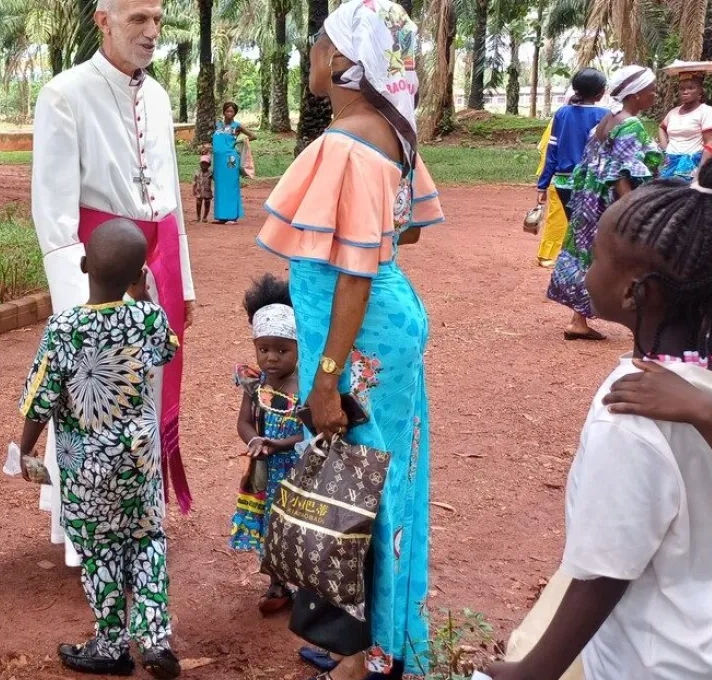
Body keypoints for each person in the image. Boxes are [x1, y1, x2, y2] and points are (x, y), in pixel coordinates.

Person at [486, 149, 712, 680]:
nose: (588, 270)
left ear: (635, 291)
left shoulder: (627, 412)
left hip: (654, 660)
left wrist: (531, 671)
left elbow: (606, 577)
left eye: (595, 258)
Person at [254, 1, 444, 677]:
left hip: (359, 337)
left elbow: (355, 275)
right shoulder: (392, 131)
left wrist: (328, 378)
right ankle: (382, 639)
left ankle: (377, 654)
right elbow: (404, 231)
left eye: (317, 44)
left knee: (366, 485)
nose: (308, 56)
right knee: (385, 477)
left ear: (340, 60)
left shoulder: (345, 144)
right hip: (386, 324)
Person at [31, 0, 198, 569]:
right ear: (103, 21)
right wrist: (79, 306)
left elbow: (171, 200)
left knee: (150, 387)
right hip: (96, 265)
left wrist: (185, 283)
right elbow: (52, 212)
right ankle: (86, 533)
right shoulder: (64, 93)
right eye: (138, 20)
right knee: (93, 399)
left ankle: (141, 519)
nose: (152, 32)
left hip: (158, 260)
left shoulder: (160, 96)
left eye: (158, 20)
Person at [16, 218, 183, 679]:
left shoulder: (64, 328)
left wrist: (26, 449)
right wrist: (144, 298)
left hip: (88, 470)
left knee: (99, 549)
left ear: (85, 265)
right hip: (140, 460)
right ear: (139, 275)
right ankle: (155, 638)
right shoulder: (148, 318)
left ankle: (110, 646)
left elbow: (41, 397)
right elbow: (167, 350)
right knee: (147, 540)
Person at [547, 65, 662, 342]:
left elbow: (593, 163)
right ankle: (647, 321)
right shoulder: (630, 124)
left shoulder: (607, 120)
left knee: (588, 253)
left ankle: (579, 320)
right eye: (651, 90)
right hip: (610, 204)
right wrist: (631, 209)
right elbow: (620, 172)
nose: (655, 95)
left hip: (589, 200)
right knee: (636, 257)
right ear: (635, 94)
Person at [227, 274, 303, 615]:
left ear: (298, 348)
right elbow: (244, 422)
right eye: (264, 349)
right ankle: (277, 583)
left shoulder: (306, 385)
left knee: (299, 525)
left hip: (299, 471)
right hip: (267, 471)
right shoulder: (255, 384)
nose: (272, 358)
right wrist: (256, 440)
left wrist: (282, 443)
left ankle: (308, 587)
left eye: (282, 350)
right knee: (272, 525)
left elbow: (310, 431)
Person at [534, 69, 609, 267]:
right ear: (600, 93)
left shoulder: (562, 113)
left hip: (563, 182)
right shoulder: (604, 115)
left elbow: (552, 151)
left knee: (574, 225)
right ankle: (585, 267)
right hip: (589, 181)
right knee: (591, 228)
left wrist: (542, 185)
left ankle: (574, 264)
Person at [658, 75, 712, 181]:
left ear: (700, 90)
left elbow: (710, 143)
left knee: (683, 190)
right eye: (682, 89)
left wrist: (700, 172)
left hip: (691, 165)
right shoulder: (673, 113)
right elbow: (661, 128)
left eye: (691, 88)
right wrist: (665, 149)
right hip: (670, 163)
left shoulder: (706, 112)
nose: (685, 92)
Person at [212, 102, 256, 223]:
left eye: (232, 111)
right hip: (218, 160)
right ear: (223, 112)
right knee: (220, 186)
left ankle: (232, 216)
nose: (229, 114)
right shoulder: (218, 125)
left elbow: (253, 136)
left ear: (235, 113)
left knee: (231, 185)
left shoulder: (237, 126)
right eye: (227, 111)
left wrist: (239, 142)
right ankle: (221, 216)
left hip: (230, 158)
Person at [192, 155, 213, 223]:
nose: (204, 165)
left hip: (207, 191)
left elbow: (216, 179)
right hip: (199, 191)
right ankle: (198, 217)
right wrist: (194, 190)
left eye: (205, 164)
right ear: (200, 164)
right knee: (198, 203)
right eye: (202, 163)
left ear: (209, 165)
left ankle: (204, 217)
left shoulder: (210, 173)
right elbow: (194, 182)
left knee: (207, 204)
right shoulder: (197, 172)